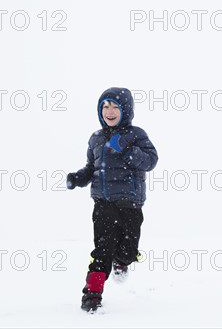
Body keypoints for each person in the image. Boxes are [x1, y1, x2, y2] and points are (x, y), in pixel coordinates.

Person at [66, 87, 158, 313]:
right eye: (105, 106)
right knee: (102, 250)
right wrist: (79, 178)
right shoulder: (96, 138)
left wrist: (126, 149)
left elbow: (150, 161)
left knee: (127, 249)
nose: (110, 111)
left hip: (130, 203)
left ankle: (123, 261)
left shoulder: (136, 135)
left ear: (126, 110)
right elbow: (91, 168)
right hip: (103, 204)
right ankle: (92, 294)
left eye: (115, 106)